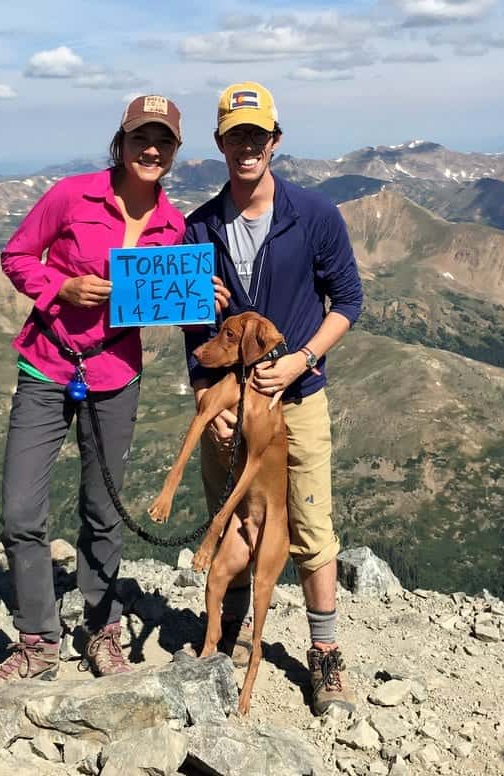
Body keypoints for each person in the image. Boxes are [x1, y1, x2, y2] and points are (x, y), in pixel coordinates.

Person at [0, 95, 187, 689]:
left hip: (115, 376)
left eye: (163, 141)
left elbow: (169, 303)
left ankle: (101, 628)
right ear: (119, 142)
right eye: (140, 138)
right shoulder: (72, 195)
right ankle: (38, 640)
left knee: (103, 511)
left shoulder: (174, 228)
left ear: (174, 151)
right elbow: (17, 256)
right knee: (21, 511)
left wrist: (206, 301)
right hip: (47, 366)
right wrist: (59, 286)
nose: (151, 150)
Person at [182, 82, 363, 715]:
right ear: (220, 144)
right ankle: (226, 635)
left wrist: (300, 360)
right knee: (229, 523)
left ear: (275, 142)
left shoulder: (314, 215)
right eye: (236, 136)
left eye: (257, 136)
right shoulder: (198, 226)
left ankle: (324, 653)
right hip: (229, 410)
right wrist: (212, 400)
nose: (247, 146)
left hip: (299, 399)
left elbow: (349, 302)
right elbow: (194, 334)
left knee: (310, 528)